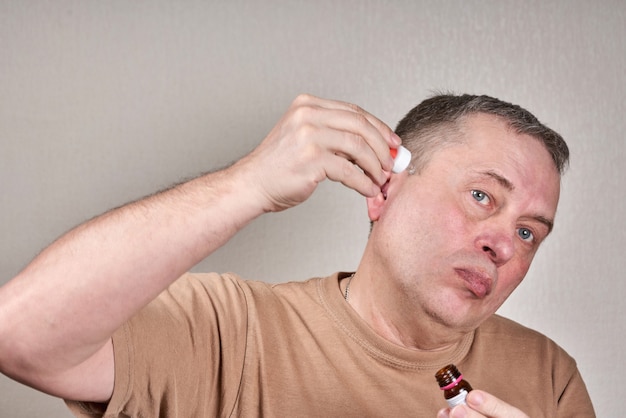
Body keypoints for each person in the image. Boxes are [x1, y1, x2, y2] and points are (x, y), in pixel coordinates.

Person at [0, 93, 595, 417]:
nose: (500, 242)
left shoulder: (549, 378)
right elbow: (19, 334)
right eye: (480, 195)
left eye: (528, 233)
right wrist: (246, 185)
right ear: (384, 188)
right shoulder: (230, 333)